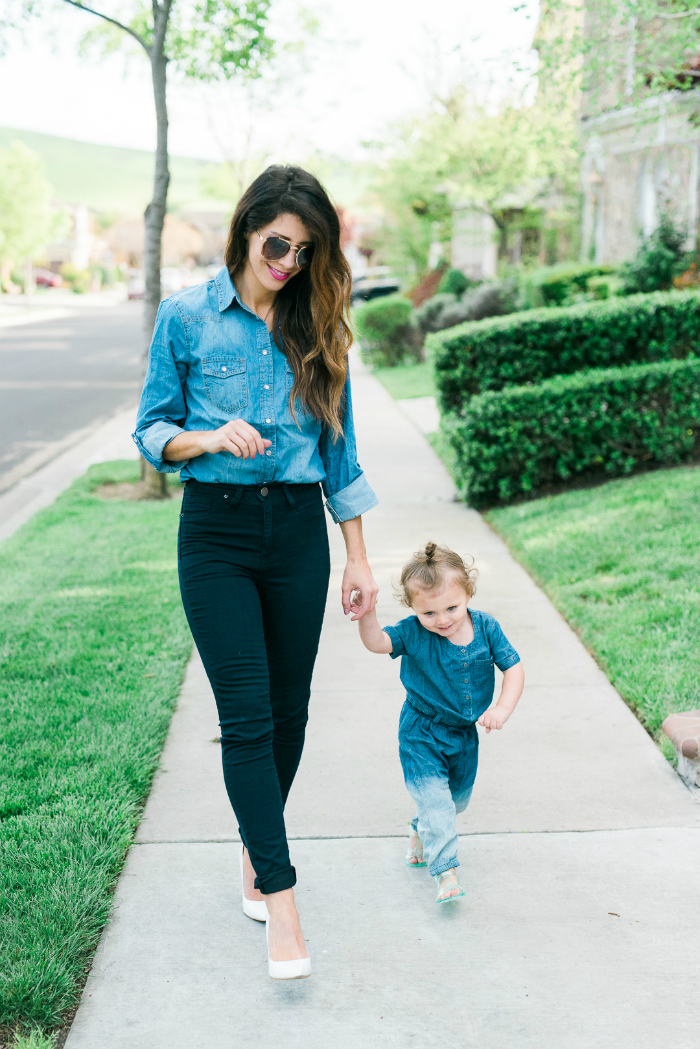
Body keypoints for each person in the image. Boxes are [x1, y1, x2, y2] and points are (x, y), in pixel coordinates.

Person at [133, 165, 379, 979]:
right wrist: (207, 438)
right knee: (246, 716)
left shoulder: (317, 324)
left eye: (306, 251)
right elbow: (152, 430)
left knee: (289, 712)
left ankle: (253, 842)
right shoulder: (187, 317)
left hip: (298, 534)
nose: (288, 261)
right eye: (278, 243)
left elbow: (339, 450)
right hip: (217, 535)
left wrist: (359, 558)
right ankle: (281, 898)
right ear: (245, 231)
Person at [357, 542, 524, 903]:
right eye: (429, 612)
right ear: (413, 607)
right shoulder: (412, 632)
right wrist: (366, 615)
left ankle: (421, 827)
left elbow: (513, 668)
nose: (443, 619)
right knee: (437, 804)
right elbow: (377, 642)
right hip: (420, 732)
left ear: (468, 593)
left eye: (452, 607)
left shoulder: (486, 627)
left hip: (463, 736)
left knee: (455, 802)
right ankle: (445, 871)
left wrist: (502, 708)